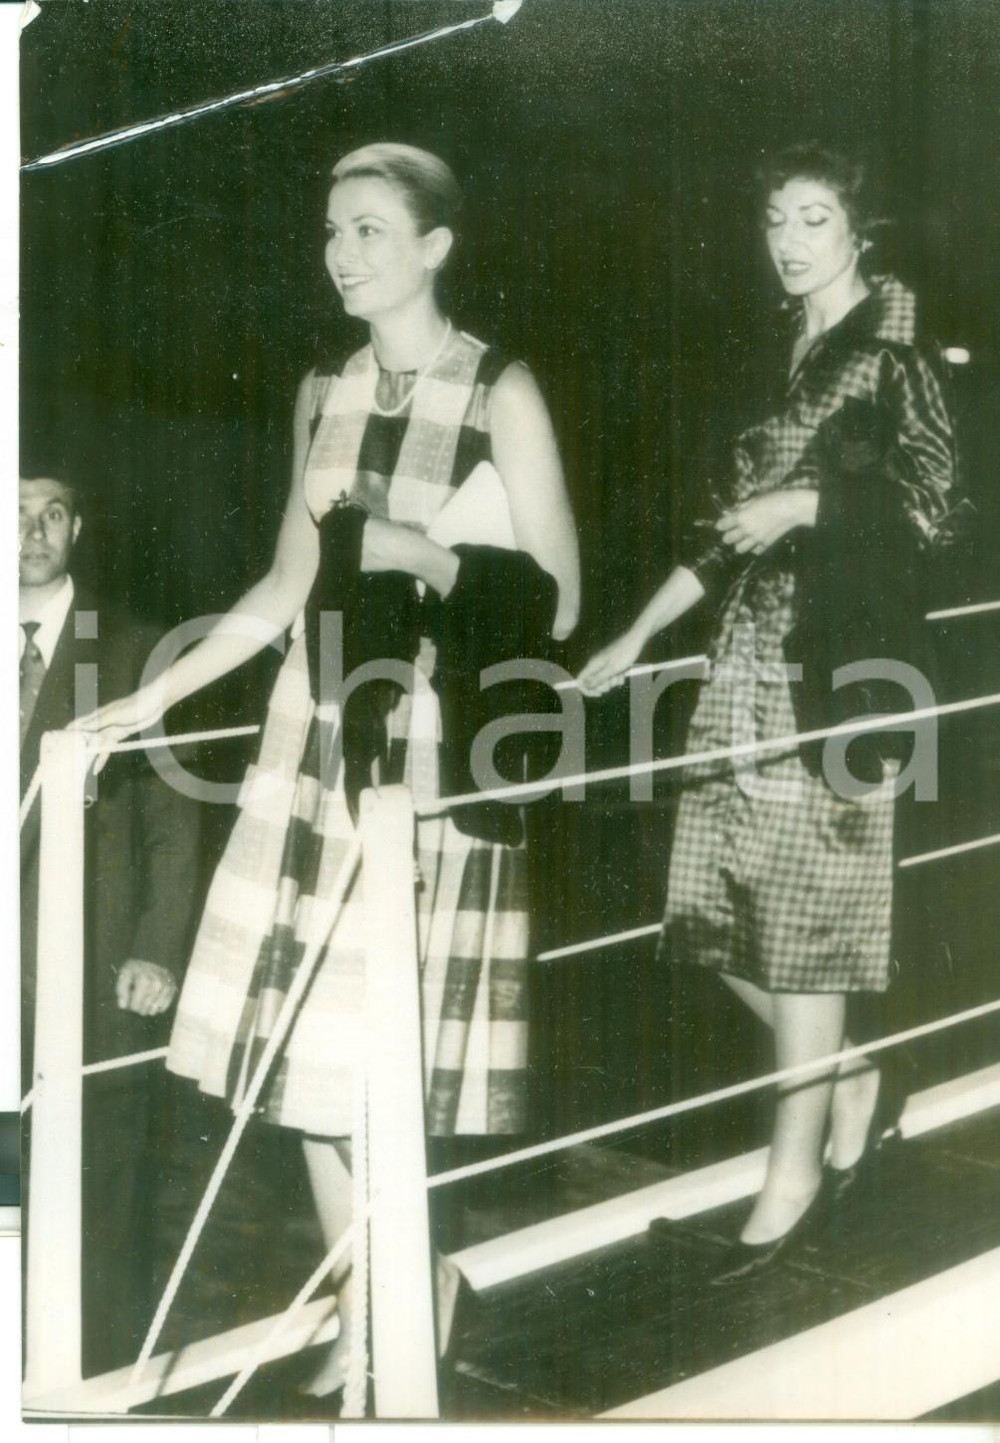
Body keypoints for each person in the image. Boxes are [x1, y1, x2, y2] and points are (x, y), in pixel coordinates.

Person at [76, 142, 580, 1394]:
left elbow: (560, 597)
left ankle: (396, 1293)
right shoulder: (322, 388)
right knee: (294, 1041)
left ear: (434, 248)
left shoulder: (497, 390)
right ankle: (381, 1292)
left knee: (377, 1050)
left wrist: (418, 549)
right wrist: (139, 701)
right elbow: (284, 590)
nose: (340, 254)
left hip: (421, 749)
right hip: (309, 738)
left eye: (367, 230)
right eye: (331, 232)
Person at [580, 142, 957, 1281]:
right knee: (703, 905)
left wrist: (808, 501)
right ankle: (844, 1074)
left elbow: (938, 512)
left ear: (861, 229)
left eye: (813, 218)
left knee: (801, 934)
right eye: (775, 221)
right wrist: (635, 636)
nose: (787, 242)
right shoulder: (786, 350)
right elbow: (720, 530)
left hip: (838, 671)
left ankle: (789, 1182)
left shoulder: (892, 352)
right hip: (746, 664)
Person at [19, 453, 201, 1372]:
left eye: (52, 514)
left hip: (93, 968)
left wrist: (158, 949)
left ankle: (103, 1377)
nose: (32, 534)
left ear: (77, 529)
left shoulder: (134, 648)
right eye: (14, 514)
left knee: (106, 1180)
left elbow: (173, 819)